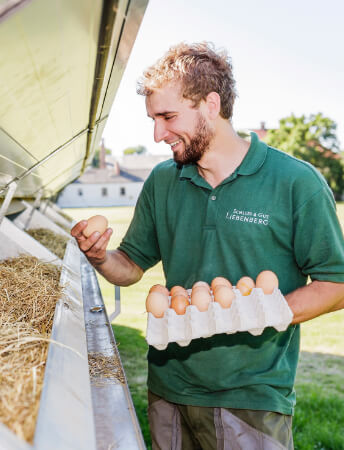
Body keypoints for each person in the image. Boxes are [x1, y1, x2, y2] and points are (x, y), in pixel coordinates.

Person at [71, 42, 344, 449]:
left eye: (167, 117)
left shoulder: (294, 182)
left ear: (211, 104)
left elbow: (335, 284)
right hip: (169, 387)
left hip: (250, 397)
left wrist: (252, 311)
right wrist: (100, 257)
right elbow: (130, 265)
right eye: (153, 119)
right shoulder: (164, 181)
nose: (157, 134)